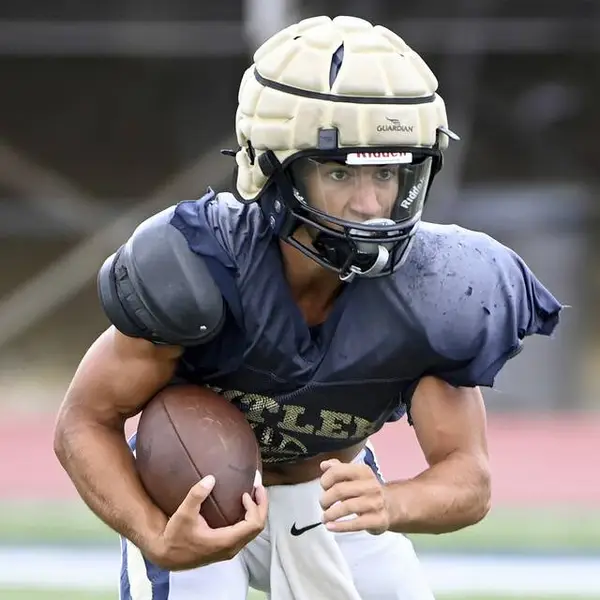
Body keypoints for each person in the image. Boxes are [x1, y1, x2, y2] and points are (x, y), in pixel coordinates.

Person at [54, 15, 562, 600]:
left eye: (387, 172)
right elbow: (83, 421)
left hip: (328, 503)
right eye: (340, 171)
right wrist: (152, 533)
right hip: (193, 501)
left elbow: (469, 476)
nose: (370, 203)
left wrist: (391, 501)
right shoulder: (202, 263)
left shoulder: (436, 290)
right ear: (276, 168)